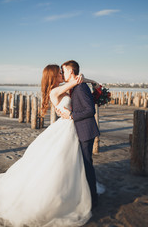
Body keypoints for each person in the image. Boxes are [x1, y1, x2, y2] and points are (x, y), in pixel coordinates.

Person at [0, 64, 98, 227]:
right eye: (59, 73)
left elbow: (76, 83)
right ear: (53, 76)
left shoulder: (65, 87)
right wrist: (79, 79)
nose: (61, 74)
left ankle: (74, 193)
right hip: (65, 129)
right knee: (59, 163)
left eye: (62, 72)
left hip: (71, 129)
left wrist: (91, 81)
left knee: (70, 164)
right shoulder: (54, 92)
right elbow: (75, 83)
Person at [57, 60, 100, 209]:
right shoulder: (76, 86)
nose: (62, 73)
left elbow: (90, 110)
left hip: (86, 131)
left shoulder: (80, 88)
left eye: (64, 70)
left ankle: (93, 199)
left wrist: (72, 115)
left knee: (87, 165)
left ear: (70, 71)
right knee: (83, 164)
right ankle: (87, 195)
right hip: (81, 129)